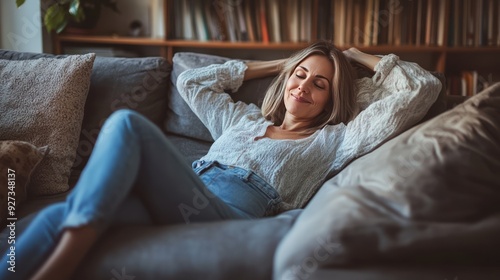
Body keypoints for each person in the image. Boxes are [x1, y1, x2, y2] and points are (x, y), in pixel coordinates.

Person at [0, 41, 441, 280]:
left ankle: (70, 251)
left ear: (333, 99)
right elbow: (193, 82)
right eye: (300, 75)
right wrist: (278, 64)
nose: (303, 86)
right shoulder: (240, 119)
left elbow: (420, 88)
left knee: (126, 125)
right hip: (175, 193)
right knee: (54, 215)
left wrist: (354, 56)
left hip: (226, 213)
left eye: (319, 84)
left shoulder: (337, 139)